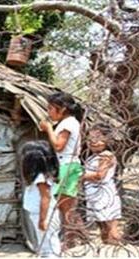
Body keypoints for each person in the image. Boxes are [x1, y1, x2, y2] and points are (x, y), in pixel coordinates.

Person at [39, 92, 85, 249]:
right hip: (67, 165)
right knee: (66, 205)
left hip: (67, 165)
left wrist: (48, 129)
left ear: (63, 109)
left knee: (65, 205)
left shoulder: (68, 124)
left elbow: (59, 145)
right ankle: (76, 237)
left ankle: (71, 240)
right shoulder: (71, 122)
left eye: (51, 108)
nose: (49, 112)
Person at [81, 124, 122, 245]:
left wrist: (79, 176)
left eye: (98, 138)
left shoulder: (106, 155)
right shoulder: (93, 157)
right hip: (95, 196)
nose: (94, 142)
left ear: (107, 139)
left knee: (112, 231)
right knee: (103, 231)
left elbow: (99, 175)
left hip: (105, 197)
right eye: (90, 139)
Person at [20, 140, 61, 257]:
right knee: (45, 244)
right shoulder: (42, 176)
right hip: (38, 213)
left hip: (43, 214)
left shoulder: (40, 178)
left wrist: (43, 220)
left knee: (49, 245)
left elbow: (45, 197)